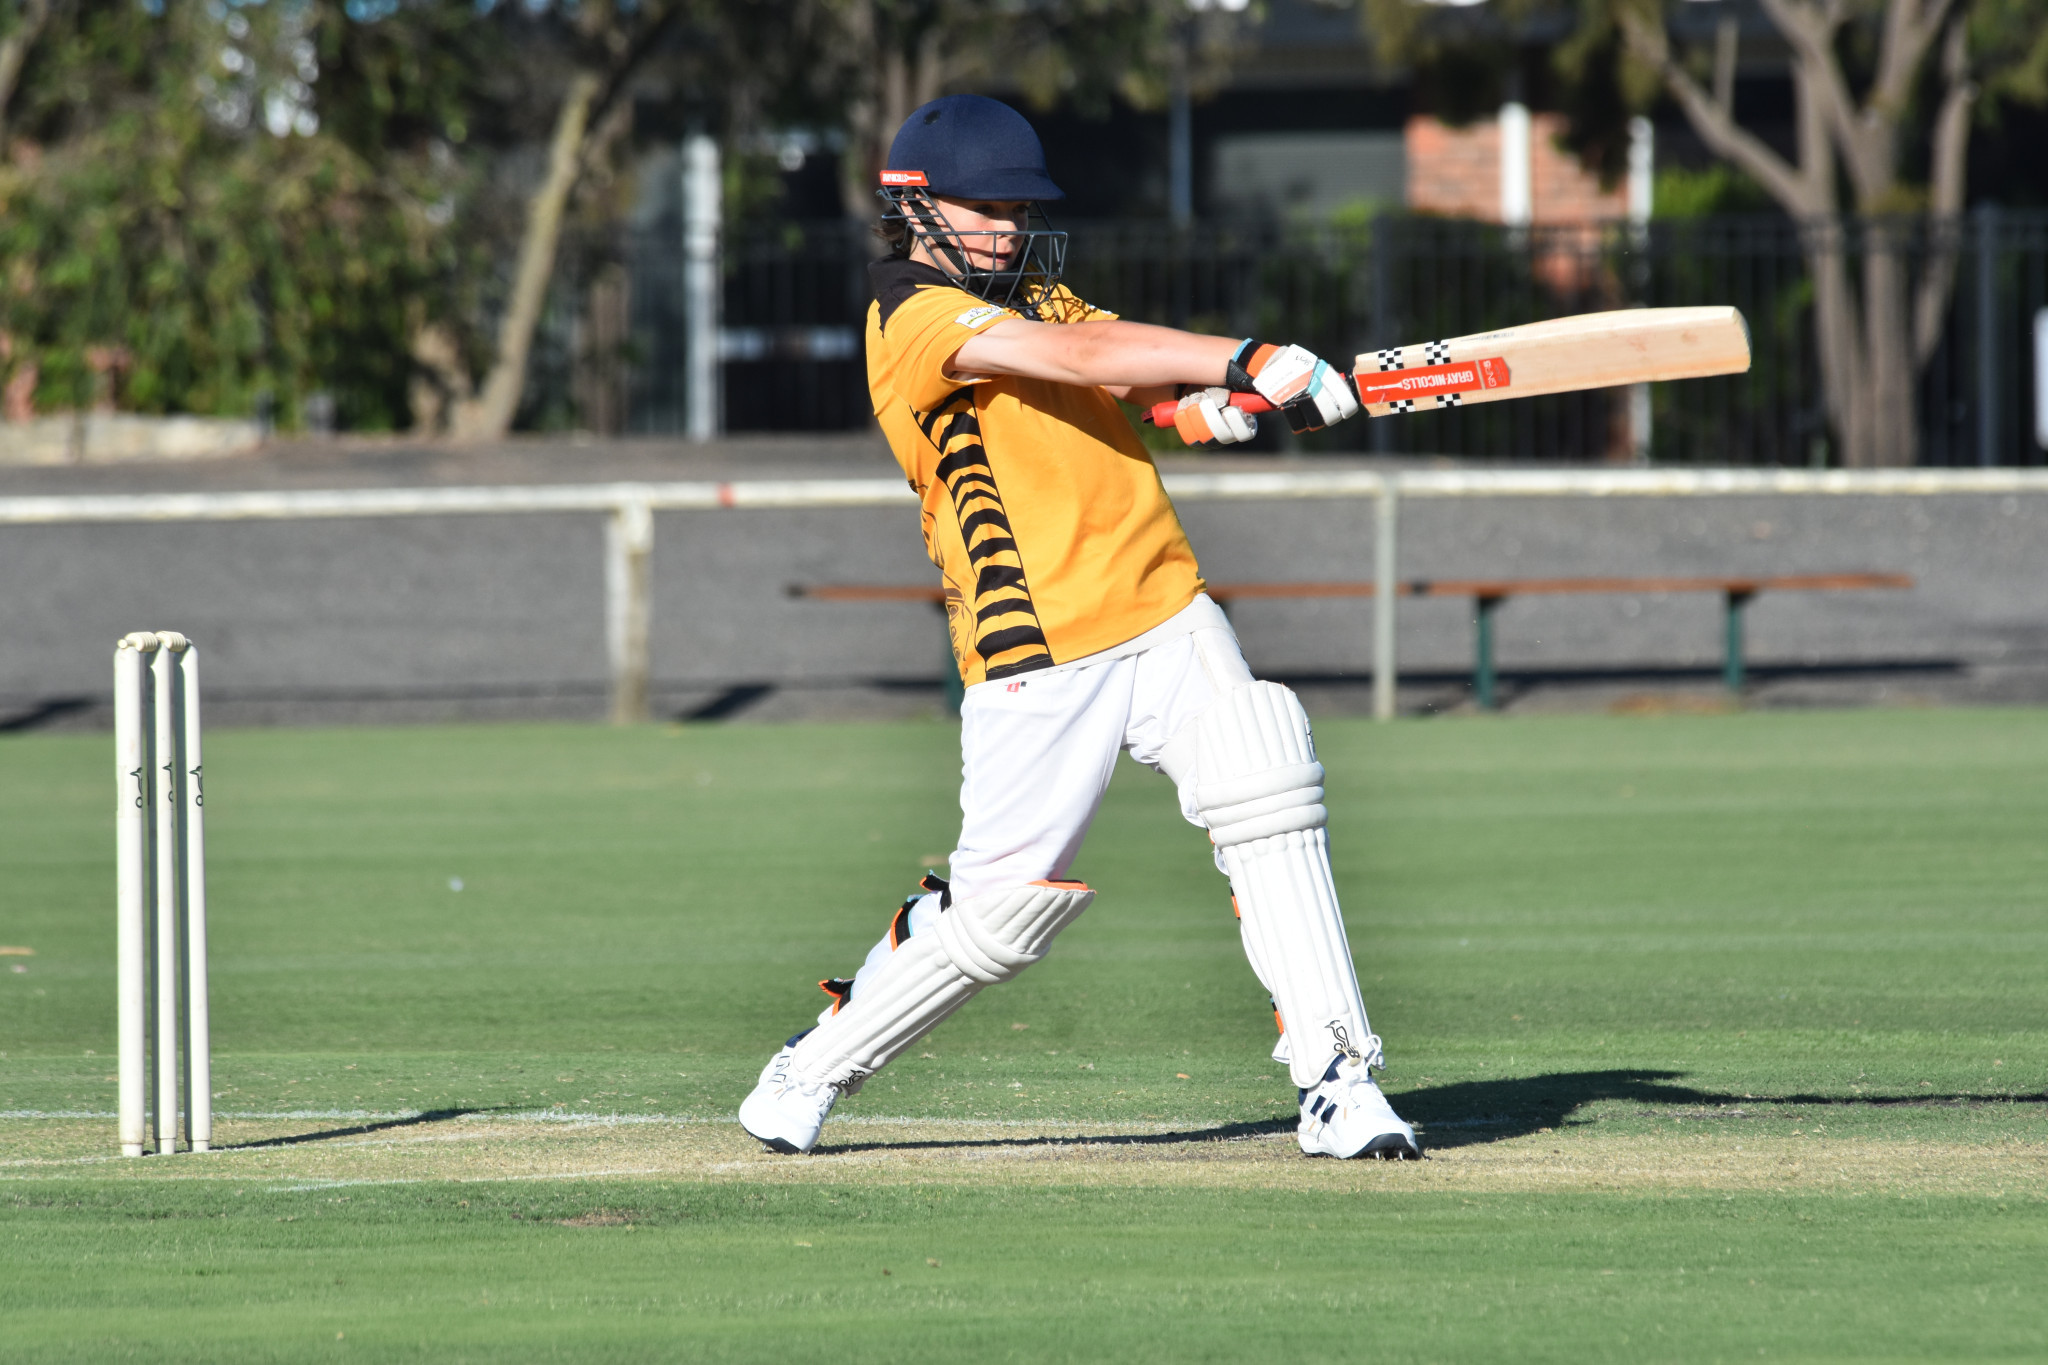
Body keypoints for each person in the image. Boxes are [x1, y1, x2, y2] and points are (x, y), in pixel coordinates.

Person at [738, 94, 1419, 1161]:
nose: (1007, 228)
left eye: (1018, 207)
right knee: (996, 919)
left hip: (1162, 603)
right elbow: (1068, 362)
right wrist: (1242, 355)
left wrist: (1203, 407)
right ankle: (810, 1067)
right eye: (986, 208)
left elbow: (1114, 364)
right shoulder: (911, 319)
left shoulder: (1033, 291)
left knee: (1266, 783)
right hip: (1036, 648)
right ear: (911, 208)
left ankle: (1338, 1080)